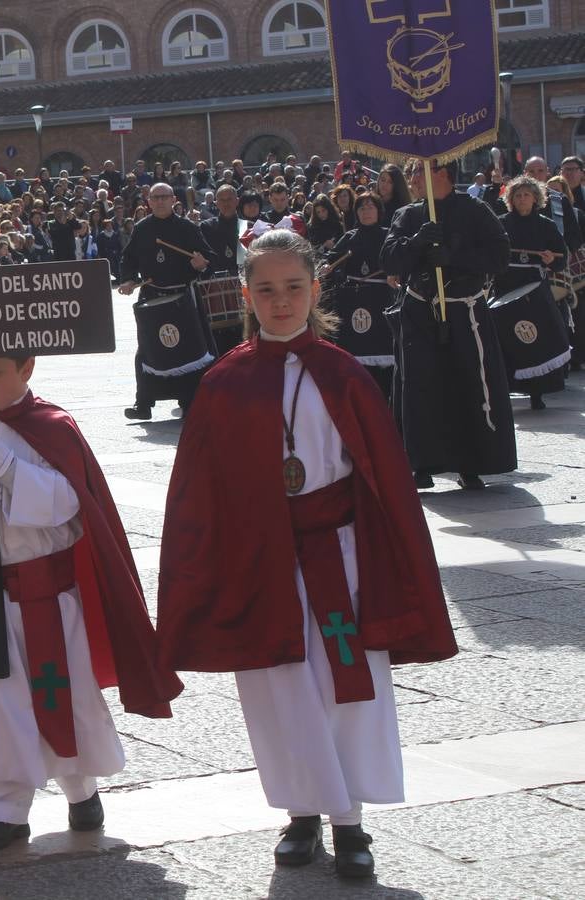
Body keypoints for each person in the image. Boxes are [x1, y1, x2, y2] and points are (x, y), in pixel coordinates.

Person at [157, 229, 457, 881]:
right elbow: (200, 490)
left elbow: (380, 476)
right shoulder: (225, 382)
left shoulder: (344, 373)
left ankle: (349, 819)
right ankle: (301, 812)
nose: (281, 300)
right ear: (246, 296)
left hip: (340, 554)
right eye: (265, 289)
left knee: (351, 683)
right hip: (264, 559)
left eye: (293, 287)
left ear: (315, 290)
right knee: (280, 686)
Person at [0, 354, 181, 851]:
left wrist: (15, 472)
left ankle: (80, 788)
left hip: (52, 595)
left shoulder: (55, 428)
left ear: (27, 367)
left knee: (66, 693)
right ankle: (5, 807)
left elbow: (75, 506)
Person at [381, 159, 515, 490]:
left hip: (464, 311)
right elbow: (389, 258)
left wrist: (454, 257)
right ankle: (420, 462)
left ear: (439, 173)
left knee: (467, 382)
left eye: (416, 172)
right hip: (420, 312)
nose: (411, 179)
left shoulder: (475, 210)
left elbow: (500, 255)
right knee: (420, 386)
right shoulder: (408, 215)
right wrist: (417, 243)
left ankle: (472, 463)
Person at [117, 182, 214, 420]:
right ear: (148, 201)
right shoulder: (141, 228)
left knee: (189, 351)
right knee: (146, 350)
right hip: (151, 296)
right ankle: (143, 404)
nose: (159, 201)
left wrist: (201, 264)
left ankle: (189, 401)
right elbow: (128, 258)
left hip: (181, 298)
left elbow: (208, 257)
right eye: (155, 197)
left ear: (173, 200)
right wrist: (129, 280)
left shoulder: (187, 227)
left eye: (164, 197)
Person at [493, 176, 571, 410]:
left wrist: (551, 259)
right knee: (507, 338)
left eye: (526, 194)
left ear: (536, 198)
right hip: (507, 285)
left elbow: (561, 257)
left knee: (538, 338)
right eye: (517, 195)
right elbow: (491, 253)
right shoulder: (501, 223)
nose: (522, 199)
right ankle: (509, 389)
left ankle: (538, 392)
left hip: (535, 287)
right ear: (511, 199)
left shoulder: (546, 225)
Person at [323, 193, 397, 401]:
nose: (366, 212)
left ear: (379, 211)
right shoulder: (350, 237)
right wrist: (329, 266)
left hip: (381, 300)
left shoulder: (388, 235)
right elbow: (332, 259)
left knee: (384, 355)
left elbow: (399, 260)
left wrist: (395, 272)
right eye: (362, 208)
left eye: (370, 207)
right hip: (354, 302)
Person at [199, 184, 245, 277]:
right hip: (216, 284)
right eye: (222, 200)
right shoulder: (206, 227)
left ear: (237, 201)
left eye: (229, 199)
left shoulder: (248, 226)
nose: (226, 203)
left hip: (244, 283)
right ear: (216, 203)